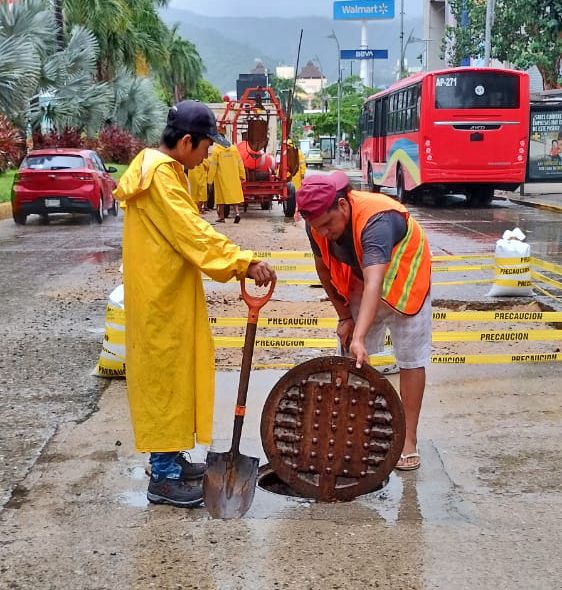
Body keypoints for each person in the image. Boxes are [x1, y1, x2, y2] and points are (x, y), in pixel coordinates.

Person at [114, 100, 276, 508]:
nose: (207, 156)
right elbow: (195, 234)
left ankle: (170, 457)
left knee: (172, 378)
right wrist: (245, 263)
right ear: (186, 141)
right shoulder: (161, 178)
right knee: (165, 381)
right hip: (161, 300)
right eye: (205, 147)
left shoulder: (155, 170)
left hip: (163, 291)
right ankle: (164, 477)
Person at [296, 172, 431, 471]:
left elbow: (375, 282)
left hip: (405, 275)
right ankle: (355, 431)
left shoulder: (377, 221)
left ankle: (408, 440)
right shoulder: (316, 222)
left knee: (410, 358)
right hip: (362, 276)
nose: (325, 232)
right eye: (318, 227)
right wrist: (345, 318)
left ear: (342, 206)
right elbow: (323, 270)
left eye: (329, 225)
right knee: (351, 356)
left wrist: (360, 335)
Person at [208, 131, 246, 223]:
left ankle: (222, 217)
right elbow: (240, 163)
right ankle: (237, 213)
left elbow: (213, 166)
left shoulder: (216, 151)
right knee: (233, 197)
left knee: (220, 199)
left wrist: (209, 180)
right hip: (233, 177)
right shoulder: (234, 149)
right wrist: (242, 175)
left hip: (221, 178)